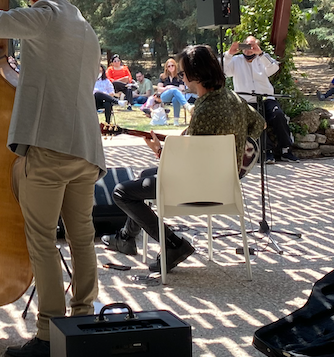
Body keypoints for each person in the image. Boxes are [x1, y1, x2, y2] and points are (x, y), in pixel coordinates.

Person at [0, 0, 106, 357]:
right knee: (82, 237)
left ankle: (49, 333)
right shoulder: (86, 28)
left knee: (42, 241)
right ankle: (84, 318)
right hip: (86, 149)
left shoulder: (43, 15)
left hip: (49, 147)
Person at [103, 44, 265, 273]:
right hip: (227, 185)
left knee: (122, 192)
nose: (182, 77)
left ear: (195, 75)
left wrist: (159, 151)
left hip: (197, 189)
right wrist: (236, 149)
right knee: (145, 176)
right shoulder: (233, 98)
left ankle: (173, 244)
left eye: (182, 73)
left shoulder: (203, 110)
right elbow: (259, 124)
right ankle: (126, 238)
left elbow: (185, 166)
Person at [223, 36, 298, 163]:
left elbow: (274, 68)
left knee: (278, 115)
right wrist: (229, 54)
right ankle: (266, 151)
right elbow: (223, 70)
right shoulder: (236, 60)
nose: (248, 50)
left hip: (266, 97)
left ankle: (286, 149)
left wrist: (261, 54)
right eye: (246, 46)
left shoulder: (262, 59)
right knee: (257, 121)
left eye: (252, 46)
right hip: (247, 100)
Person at [157, 57, 190, 124]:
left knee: (175, 99)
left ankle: (176, 121)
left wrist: (172, 87)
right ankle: (187, 105)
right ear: (166, 68)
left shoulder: (179, 77)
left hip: (176, 96)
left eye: (172, 65)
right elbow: (159, 88)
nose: (171, 67)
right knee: (174, 90)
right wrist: (167, 88)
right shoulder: (163, 76)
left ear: (175, 66)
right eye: (169, 66)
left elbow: (182, 89)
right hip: (164, 96)